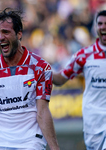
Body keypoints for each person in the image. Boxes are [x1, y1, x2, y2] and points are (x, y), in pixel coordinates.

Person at [0, 7, 59, 150]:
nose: (0, 37)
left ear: (19, 34)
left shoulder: (40, 67)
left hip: (29, 140)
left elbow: (43, 112)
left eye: (6, 32)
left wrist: (55, 148)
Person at [53, 10, 106, 150]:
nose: (103, 27)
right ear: (96, 28)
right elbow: (60, 79)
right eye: (100, 24)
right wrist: (39, 68)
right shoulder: (84, 55)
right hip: (94, 124)